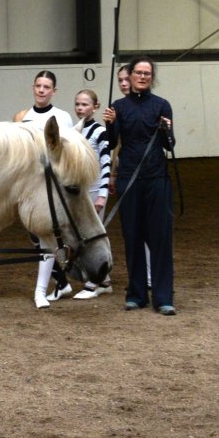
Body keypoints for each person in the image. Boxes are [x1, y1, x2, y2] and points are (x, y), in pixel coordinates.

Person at [102, 56, 177, 315]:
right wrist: (110, 124)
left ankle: (164, 296)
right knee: (133, 236)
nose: (143, 76)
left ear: (151, 77)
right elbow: (111, 143)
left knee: (160, 238)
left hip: (157, 179)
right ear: (130, 75)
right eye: (138, 72)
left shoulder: (162, 105)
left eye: (147, 73)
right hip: (129, 179)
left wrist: (166, 130)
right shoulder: (119, 106)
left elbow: (170, 145)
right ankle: (135, 294)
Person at [13, 71, 74, 309]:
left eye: (46, 87)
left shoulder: (62, 117)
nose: (41, 90)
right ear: (33, 87)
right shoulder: (21, 117)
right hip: (28, 183)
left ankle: (40, 291)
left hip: (51, 185)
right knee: (36, 238)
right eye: (38, 85)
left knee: (45, 236)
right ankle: (61, 281)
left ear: (53, 91)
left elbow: (66, 152)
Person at [109, 64, 152, 289]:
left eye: (127, 79)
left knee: (147, 228)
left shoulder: (147, 107)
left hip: (147, 173)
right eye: (120, 81)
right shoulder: (119, 109)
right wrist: (114, 174)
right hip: (127, 171)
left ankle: (149, 277)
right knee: (132, 229)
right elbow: (116, 146)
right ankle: (140, 277)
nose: (124, 84)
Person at [71, 88, 113, 299]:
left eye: (85, 104)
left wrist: (102, 195)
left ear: (95, 107)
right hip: (81, 194)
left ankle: (93, 283)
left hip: (96, 192)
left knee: (94, 236)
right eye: (77, 104)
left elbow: (106, 164)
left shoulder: (100, 132)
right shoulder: (73, 131)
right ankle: (104, 281)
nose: (80, 108)